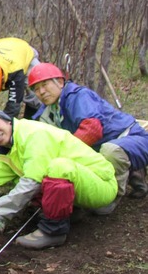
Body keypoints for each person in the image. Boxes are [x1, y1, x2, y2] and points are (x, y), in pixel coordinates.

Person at [0, 106, 117, 249]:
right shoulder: (8, 151)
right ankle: (73, 212)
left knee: (57, 168)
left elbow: (31, 182)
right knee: (46, 176)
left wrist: (0, 215)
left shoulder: (32, 134)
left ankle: (53, 231)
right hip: (83, 183)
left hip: (101, 183)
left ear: (6, 120)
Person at [28, 63, 147, 200]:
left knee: (110, 151)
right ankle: (130, 173)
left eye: (45, 85)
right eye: (36, 89)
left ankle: (113, 194)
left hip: (131, 137)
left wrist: (63, 155)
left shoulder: (77, 96)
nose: (41, 92)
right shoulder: (46, 113)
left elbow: (92, 129)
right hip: (101, 148)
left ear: (60, 82)